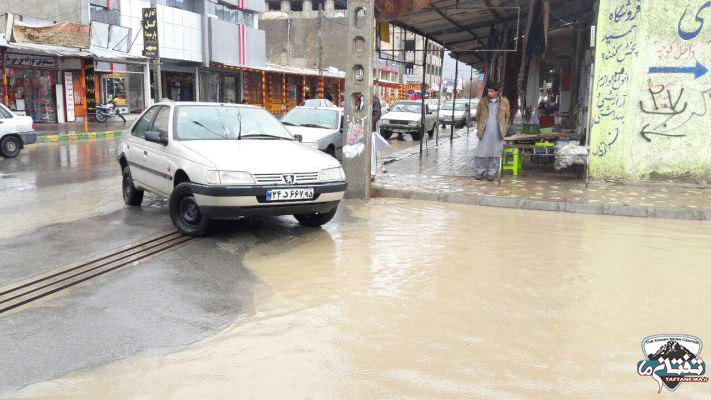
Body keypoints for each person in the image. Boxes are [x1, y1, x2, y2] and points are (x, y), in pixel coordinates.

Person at [475, 82, 510, 181]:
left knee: (495, 153)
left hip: (498, 131)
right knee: (480, 152)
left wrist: (505, 127)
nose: (489, 93)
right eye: (488, 91)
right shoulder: (482, 102)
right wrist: (479, 127)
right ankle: (479, 172)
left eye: (491, 91)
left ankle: (491, 172)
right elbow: (477, 116)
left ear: (497, 92)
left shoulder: (504, 102)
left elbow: (507, 116)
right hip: (484, 131)